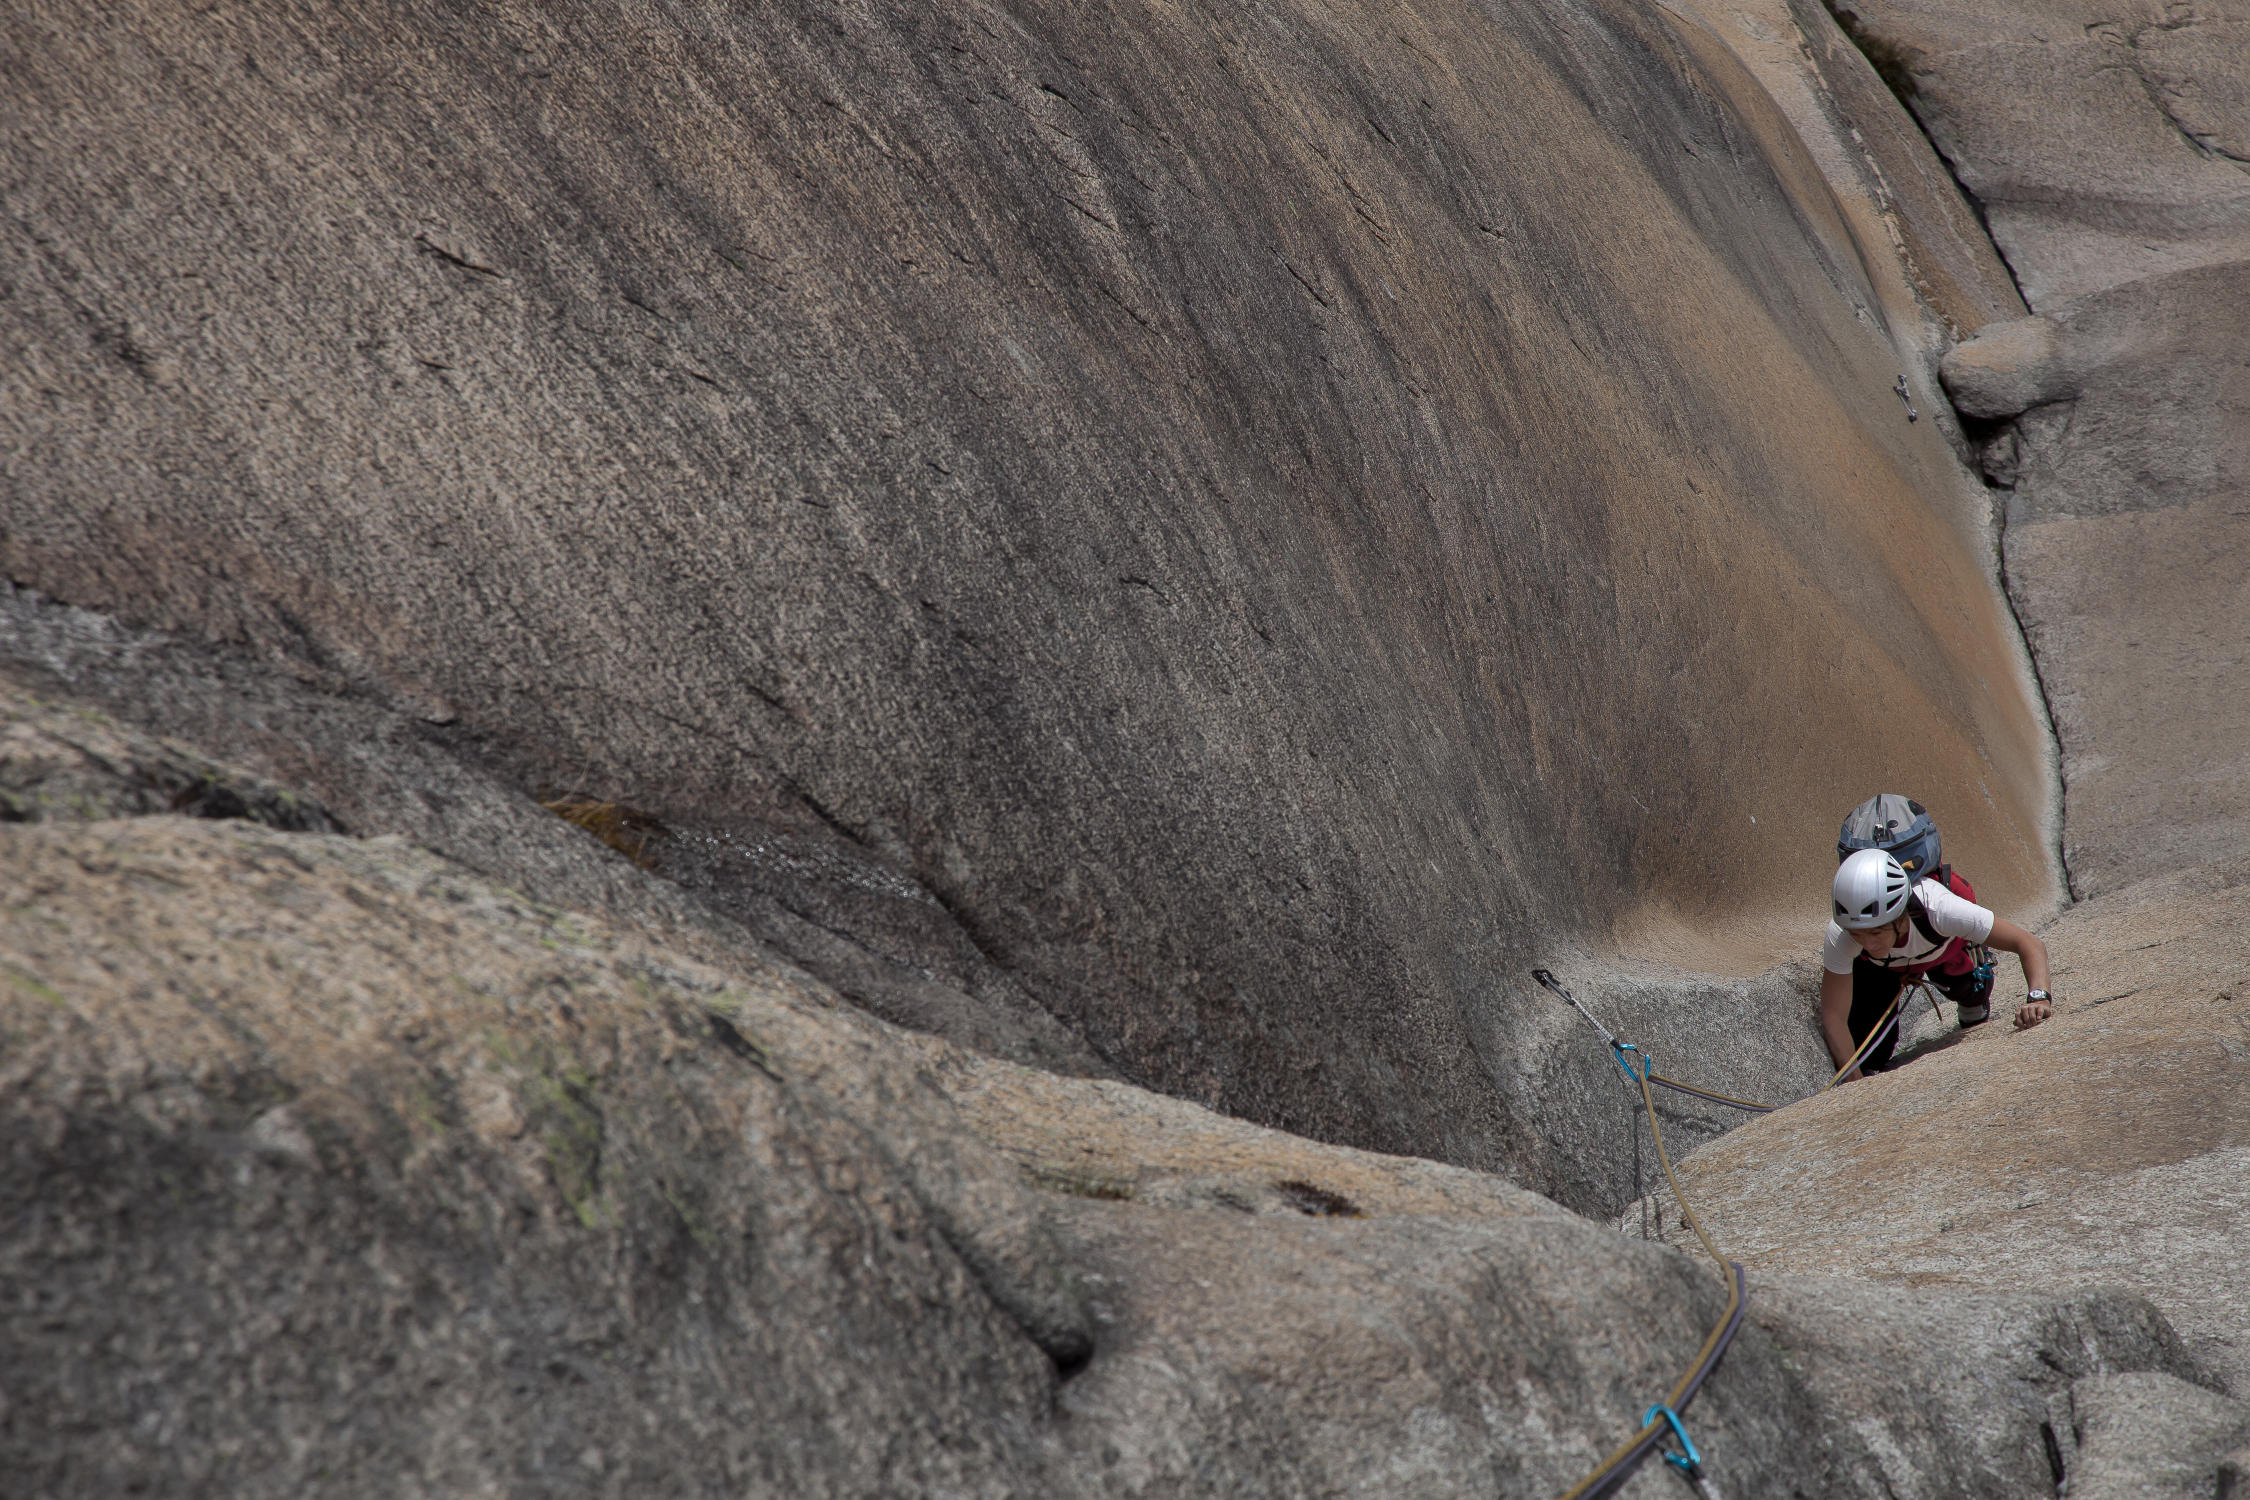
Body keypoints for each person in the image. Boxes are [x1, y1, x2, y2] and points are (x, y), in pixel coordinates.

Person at [1824, 848, 2052, 1080]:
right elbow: (1834, 1016)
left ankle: (1973, 987)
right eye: (1858, 935)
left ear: (1900, 916)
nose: (1868, 944)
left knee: (1969, 993)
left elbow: (2028, 943)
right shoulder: (1843, 933)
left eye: (1876, 932)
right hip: (1886, 969)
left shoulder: (1940, 908)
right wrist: (1855, 1081)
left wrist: (2039, 998)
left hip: (1943, 952)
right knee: (1872, 1054)